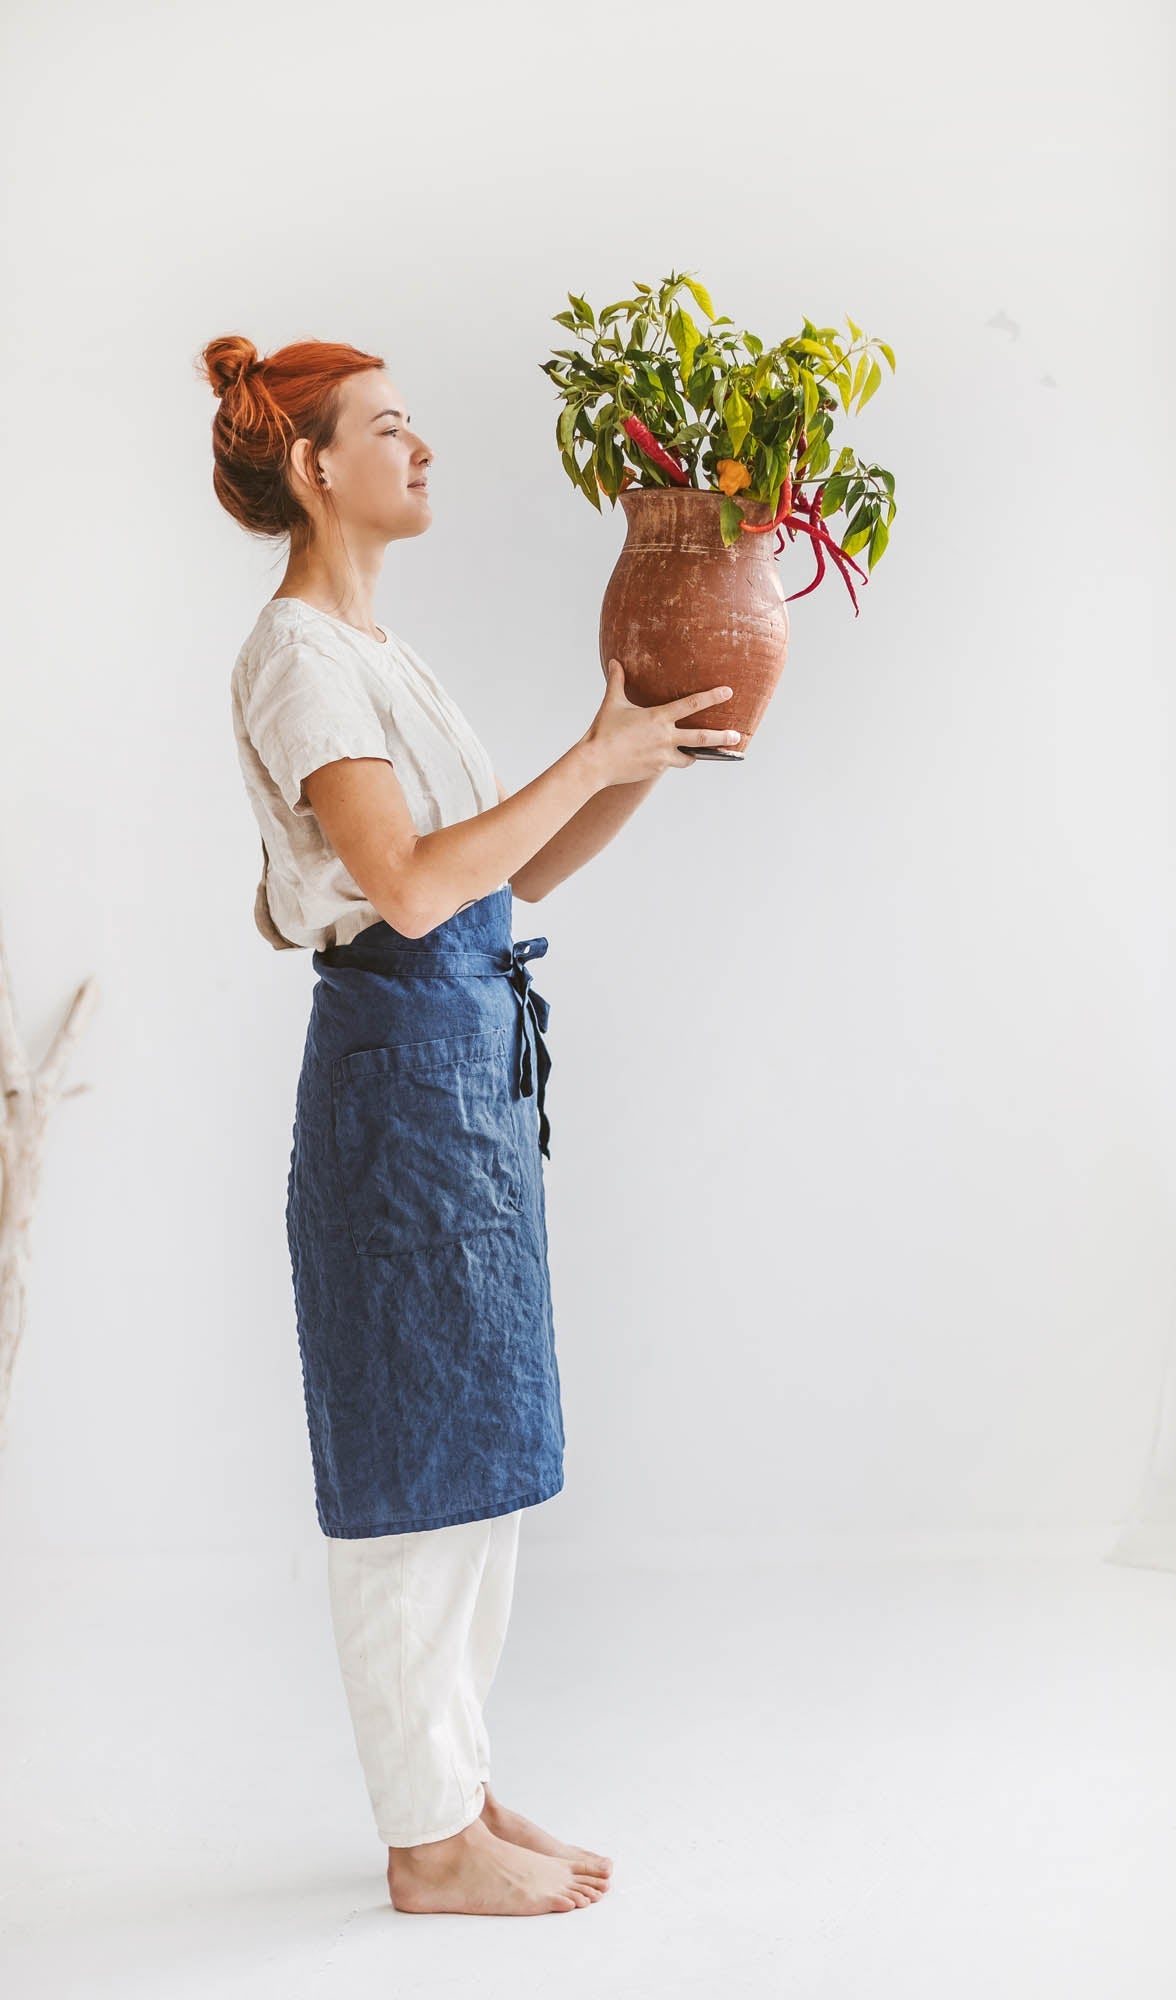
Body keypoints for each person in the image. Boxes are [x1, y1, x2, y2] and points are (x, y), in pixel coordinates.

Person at [202, 333, 740, 1917]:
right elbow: (415, 886)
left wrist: (646, 745)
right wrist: (593, 750)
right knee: (412, 1463)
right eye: (390, 430)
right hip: (397, 1077)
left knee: (478, 1454)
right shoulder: (301, 653)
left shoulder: (382, 653)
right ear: (314, 469)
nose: (421, 451)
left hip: (463, 1063)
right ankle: (425, 1843)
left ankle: (461, 1789)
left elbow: (512, 879)